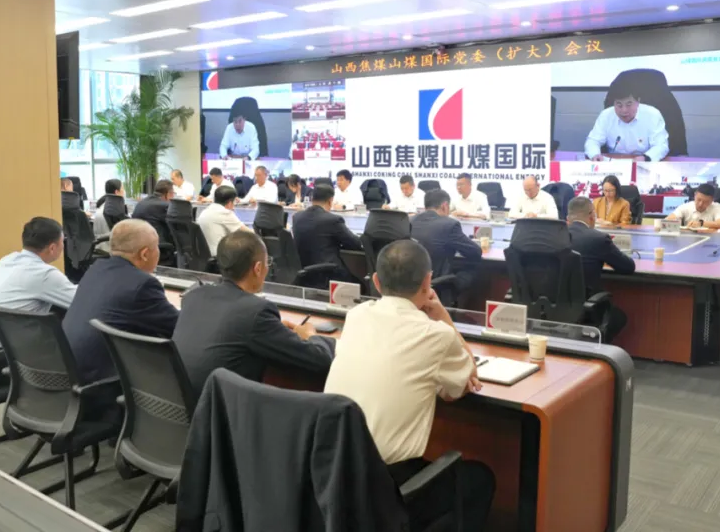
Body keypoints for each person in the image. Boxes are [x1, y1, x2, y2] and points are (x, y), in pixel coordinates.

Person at [324, 240, 494, 532]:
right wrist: (443, 316)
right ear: (428, 282)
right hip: (386, 489)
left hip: (335, 474)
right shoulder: (435, 334)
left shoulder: (356, 316)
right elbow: (467, 377)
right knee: (480, 479)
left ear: (376, 282)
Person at [173, 231, 336, 399]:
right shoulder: (257, 312)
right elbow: (321, 360)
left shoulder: (193, 297)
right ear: (258, 268)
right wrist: (310, 335)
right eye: (267, 263)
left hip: (180, 408)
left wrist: (274, 330)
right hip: (221, 411)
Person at [63, 219, 179, 384]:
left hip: (71, 372)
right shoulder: (142, 285)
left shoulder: (96, 269)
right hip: (104, 381)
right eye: (157, 247)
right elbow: (179, 327)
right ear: (145, 254)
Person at [0, 217, 78, 345]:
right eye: (62, 241)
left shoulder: (5, 261)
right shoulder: (44, 274)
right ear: (52, 248)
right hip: (9, 346)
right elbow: (83, 302)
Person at [565, 197, 634, 340]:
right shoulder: (598, 238)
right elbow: (628, 267)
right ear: (592, 216)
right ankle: (595, 347)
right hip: (586, 305)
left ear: (568, 218)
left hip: (555, 306)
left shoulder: (554, 237)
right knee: (619, 317)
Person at [411, 189, 483, 295]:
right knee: (477, 267)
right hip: (436, 283)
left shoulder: (410, 220)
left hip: (412, 283)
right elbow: (476, 252)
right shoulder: (449, 225)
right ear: (445, 206)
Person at [292, 184, 363, 278]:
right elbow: (355, 244)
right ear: (330, 201)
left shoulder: (296, 217)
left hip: (304, 274)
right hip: (330, 274)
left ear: (312, 198)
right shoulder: (333, 220)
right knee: (361, 283)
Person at [584, 83, 669, 161]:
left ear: (638, 101)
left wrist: (646, 158)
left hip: (643, 164)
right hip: (613, 165)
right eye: (619, 105)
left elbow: (661, 145)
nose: (624, 110)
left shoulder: (652, 115)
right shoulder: (606, 115)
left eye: (629, 104)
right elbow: (593, 141)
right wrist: (595, 154)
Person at [196, 185, 251, 256]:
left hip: (204, 254)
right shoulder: (224, 212)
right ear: (230, 203)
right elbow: (248, 233)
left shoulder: (206, 210)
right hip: (220, 255)